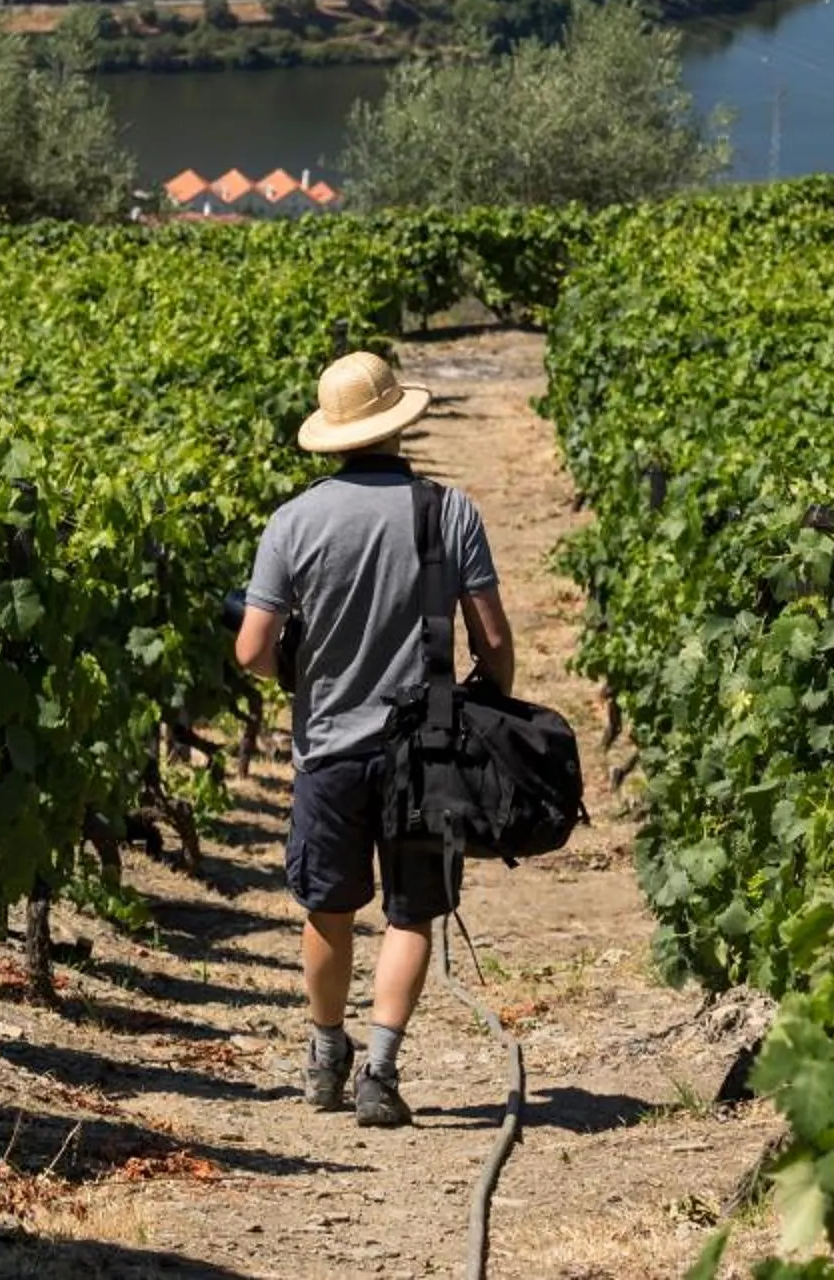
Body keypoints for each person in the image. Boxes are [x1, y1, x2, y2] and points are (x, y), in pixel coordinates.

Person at [236, 348, 515, 1130]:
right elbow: (492, 640)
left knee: (328, 907)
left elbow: (252, 651)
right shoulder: (449, 512)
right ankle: (381, 1072)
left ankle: (327, 1051)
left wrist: (298, 673)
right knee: (411, 911)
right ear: (399, 423)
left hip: (327, 747)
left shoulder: (294, 522)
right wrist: (491, 698)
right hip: (424, 751)